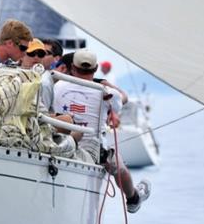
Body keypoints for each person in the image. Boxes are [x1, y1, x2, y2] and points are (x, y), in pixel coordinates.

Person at [53, 49, 151, 213]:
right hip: (92, 149)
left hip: (59, 141)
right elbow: (123, 98)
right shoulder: (107, 92)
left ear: (73, 67)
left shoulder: (58, 85)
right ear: (96, 68)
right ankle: (133, 198)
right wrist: (106, 84)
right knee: (119, 167)